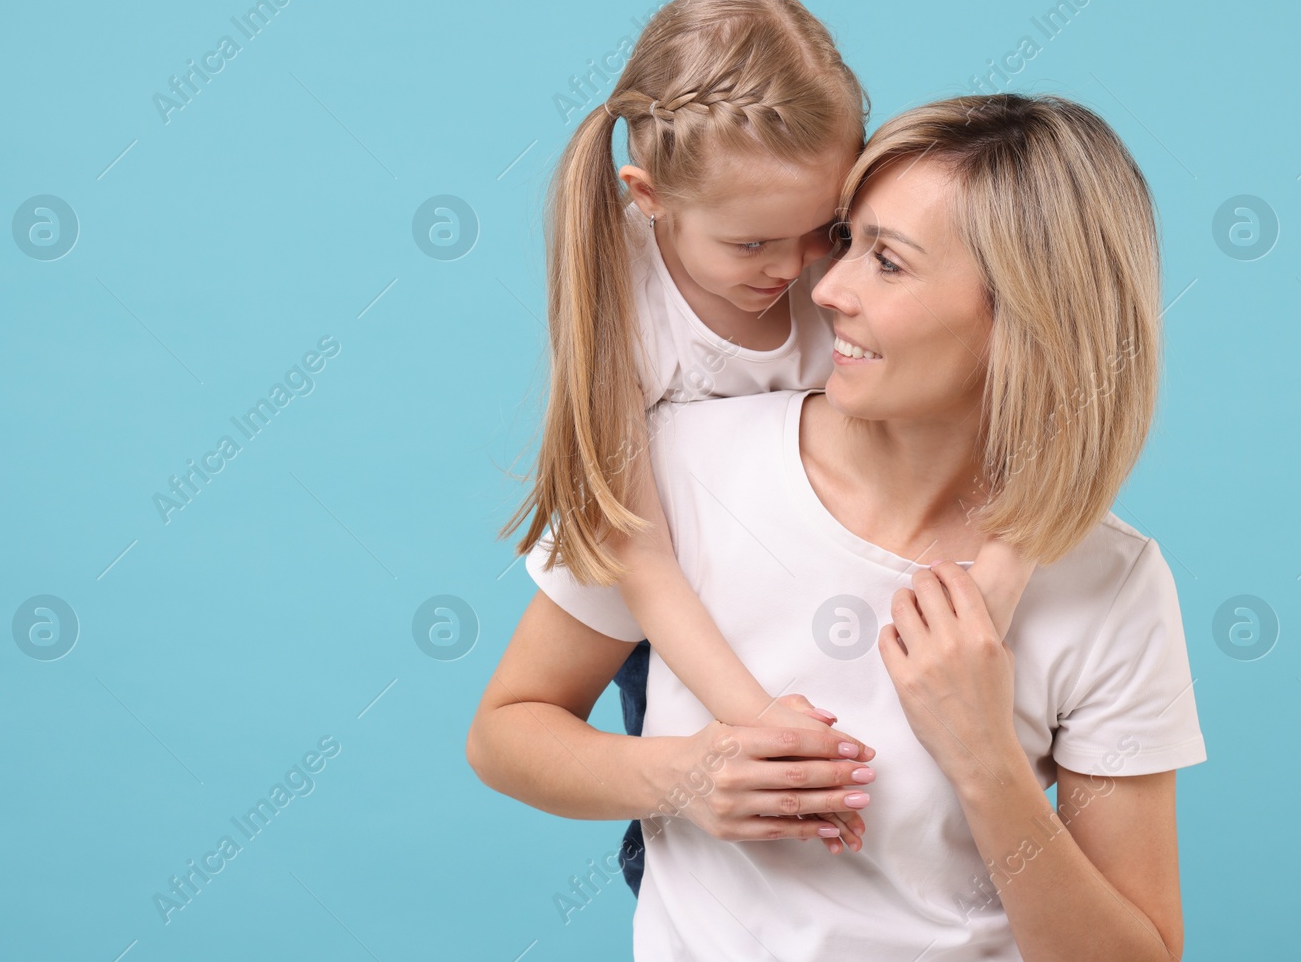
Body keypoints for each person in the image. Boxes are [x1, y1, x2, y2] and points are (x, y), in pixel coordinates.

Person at [470, 93, 1206, 960]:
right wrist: (681, 776)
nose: (826, 288)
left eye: (888, 263)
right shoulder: (677, 465)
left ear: (1026, 317)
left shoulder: (1111, 582)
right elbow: (507, 729)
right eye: (847, 239)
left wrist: (985, 760)